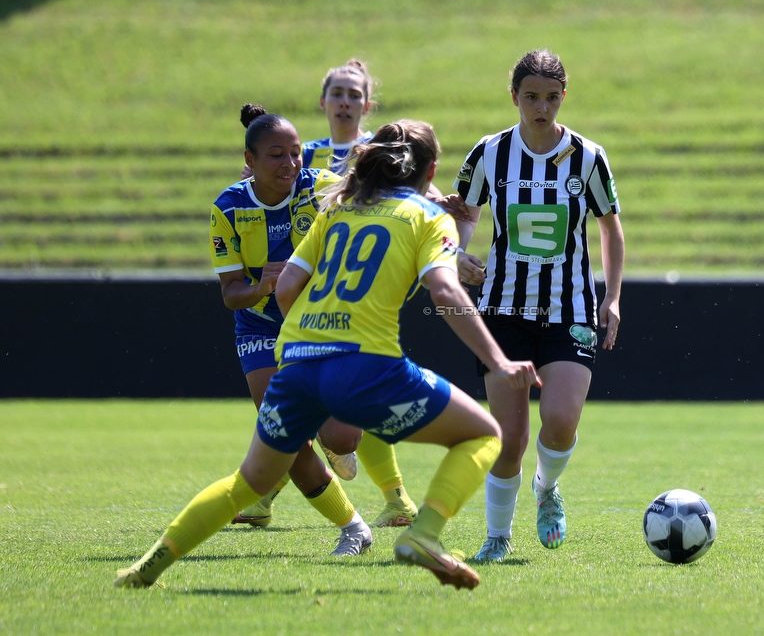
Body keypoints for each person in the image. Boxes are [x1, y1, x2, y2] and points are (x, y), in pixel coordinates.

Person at [115, 120, 541, 591]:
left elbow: (287, 289)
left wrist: (312, 334)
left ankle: (146, 566)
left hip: (296, 364)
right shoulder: (427, 216)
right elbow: (444, 291)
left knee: (249, 481)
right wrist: (498, 360)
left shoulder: (337, 209)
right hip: (367, 365)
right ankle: (423, 534)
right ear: (431, 170)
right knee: (483, 436)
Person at [450, 49, 625, 562]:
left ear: (563, 97)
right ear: (514, 98)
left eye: (551, 97)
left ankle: (547, 489)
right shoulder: (489, 153)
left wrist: (611, 298)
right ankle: (497, 536)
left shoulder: (588, 157)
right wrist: (458, 253)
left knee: (563, 418)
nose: (541, 107)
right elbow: (464, 212)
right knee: (509, 439)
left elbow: (610, 228)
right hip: (502, 310)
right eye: (531, 97)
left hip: (569, 309)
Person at [241, 60, 424, 529]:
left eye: (353, 93)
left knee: (344, 399)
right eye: (336, 92)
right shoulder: (304, 154)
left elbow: (414, 190)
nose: (344, 100)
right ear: (323, 102)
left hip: (355, 294)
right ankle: (266, 496)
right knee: (304, 398)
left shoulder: (376, 152)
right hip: (303, 294)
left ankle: (395, 497)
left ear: (368, 104)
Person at [208, 104, 372, 555]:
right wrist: (260, 284)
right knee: (284, 431)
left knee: (342, 438)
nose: (291, 164)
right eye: (277, 155)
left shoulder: (318, 188)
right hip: (260, 327)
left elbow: (376, 194)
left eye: (297, 153)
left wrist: (434, 201)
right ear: (250, 160)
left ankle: (326, 445)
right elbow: (230, 293)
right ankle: (354, 528)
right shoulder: (228, 207)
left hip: (319, 325)